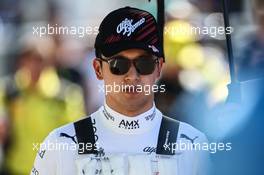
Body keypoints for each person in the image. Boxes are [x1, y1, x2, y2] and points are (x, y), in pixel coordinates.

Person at [31, 6, 210, 175]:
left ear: (158, 68)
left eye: (144, 63)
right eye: (118, 65)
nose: (132, 76)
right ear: (98, 69)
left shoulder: (192, 144)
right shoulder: (61, 144)